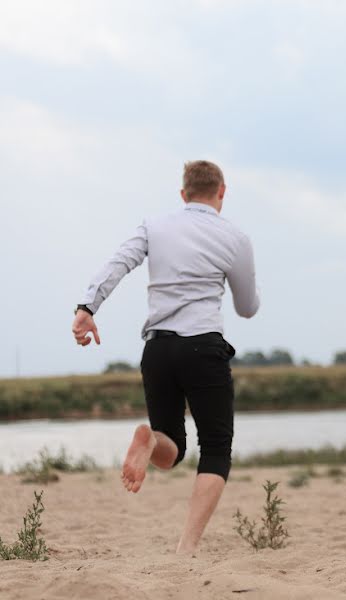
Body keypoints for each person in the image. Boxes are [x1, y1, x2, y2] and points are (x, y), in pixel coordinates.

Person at [71, 160, 260, 553]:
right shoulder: (235, 238)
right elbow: (245, 306)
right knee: (216, 448)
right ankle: (185, 548)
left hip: (158, 348)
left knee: (170, 447)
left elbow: (119, 263)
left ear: (183, 193)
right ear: (222, 192)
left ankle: (149, 439)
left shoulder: (154, 226)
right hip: (204, 346)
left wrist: (88, 306)